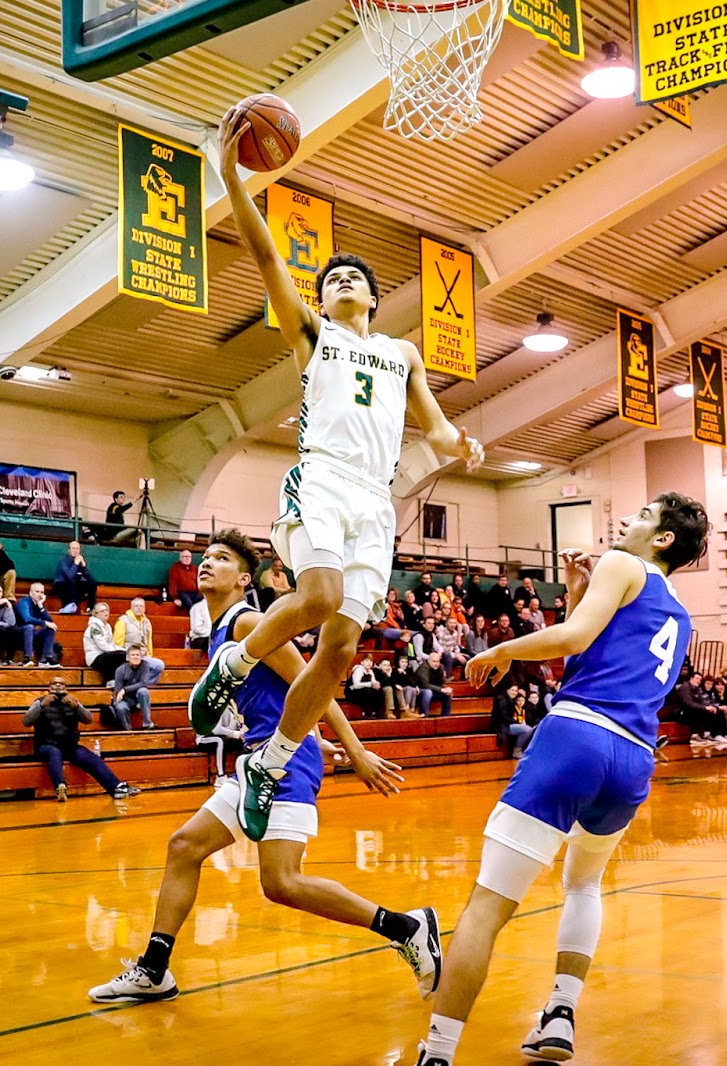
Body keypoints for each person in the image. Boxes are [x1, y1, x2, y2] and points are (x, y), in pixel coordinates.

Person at [188, 116, 484, 843]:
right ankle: (235, 659)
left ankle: (272, 761)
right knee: (316, 597)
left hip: (374, 500)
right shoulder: (314, 336)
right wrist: (233, 179)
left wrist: (458, 443)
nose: (342, 280)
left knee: (344, 646)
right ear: (321, 301)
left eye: (355, 278)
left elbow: (436, 425)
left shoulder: (403, 353)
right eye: (331, 279)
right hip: (321, 477)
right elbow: (264, 259)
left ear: (376, 301)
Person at [414, 493, 709, 1066]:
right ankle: (561, 1013)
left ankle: (439, 1053)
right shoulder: (678, 610)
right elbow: (590, 654)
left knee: (486, 906)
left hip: (577, 738)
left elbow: (572, 642)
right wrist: (576, 593)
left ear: (663, 539)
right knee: (583, 885)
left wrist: (500, 647)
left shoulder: (623, 564)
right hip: (632, 760)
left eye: (641, 515)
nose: (626, 519)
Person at [88, 527, 440, 1006]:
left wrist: (354, 751)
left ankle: (406, 927)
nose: (207, 563)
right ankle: (154, 970)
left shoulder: (247, 624)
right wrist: (320, 740)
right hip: (259, 755)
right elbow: (283, 696)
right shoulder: (216, 631)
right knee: (185, 845)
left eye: (221, 558)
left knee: (282, 882)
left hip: (284, 759)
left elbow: (314, 680)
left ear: (242, 579)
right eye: (205, 557)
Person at [23, 677, 137, 801]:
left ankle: (116, 788)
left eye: (61, 684)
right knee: (54, 752)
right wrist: (41, 705)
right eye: (54, 684)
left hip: (69, 746)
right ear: (49, 688)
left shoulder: (73, 702)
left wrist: (77, 707)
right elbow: (26, 721)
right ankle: (60, 786)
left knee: (90, 757)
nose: (57, 686)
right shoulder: (39, 701)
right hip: (46, 745)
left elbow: (88, 719)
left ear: (66, 687)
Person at [196, 703, 246, 785]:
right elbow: (216, 729)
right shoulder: (216, 707)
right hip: (205, 738)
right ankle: (220, 776)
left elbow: (234, 728)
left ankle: (242, 774)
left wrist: (242, 732)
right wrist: (236, 734)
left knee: (245, 741)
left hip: (225, 737)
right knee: (220, 741)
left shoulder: (235, 707)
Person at [110, 646, 157, 730]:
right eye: (133, 655)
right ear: (128, 658)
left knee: (143, 691)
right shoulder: (120, 670)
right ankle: (128, 732)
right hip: (125, 699)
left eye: (137, 655)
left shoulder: (145, 665)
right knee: (121, 707)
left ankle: (147, 723)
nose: (136, 657)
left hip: (138, 698)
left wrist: (125, 689)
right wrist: (122, 693)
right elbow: (118, 691)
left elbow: (144, 683)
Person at [15, 583, 58, 667]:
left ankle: (46, 658)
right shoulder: (23, 602)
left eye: (42, 592)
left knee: (50, 629)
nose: (39, 594)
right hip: (18, 634)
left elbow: (50, 621)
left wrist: (41, 606)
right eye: (37, 591)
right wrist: (44, 622)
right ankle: (28, 658)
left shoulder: (39, 604)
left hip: (31, 634)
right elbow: (26, 618)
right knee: (30, 626)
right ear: (31, 593)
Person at [82, 602, 126, 682]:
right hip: (95, 657)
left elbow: (112, 644)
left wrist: (124, 650)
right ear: (96, 614)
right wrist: (118, 652)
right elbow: (103, 646)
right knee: (119, 656)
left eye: (106, 610)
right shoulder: (94, 627)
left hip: (106, 653)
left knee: (126, 654)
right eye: (102, 611)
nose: (105, 613)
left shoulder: (107, 626)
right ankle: (110, 680)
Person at [53, 540, 98, 614]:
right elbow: (69, 576)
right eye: (73, 548)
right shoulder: (63, 561)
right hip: (61, 585)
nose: (75, 551)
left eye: (77, 549)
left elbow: (90, 577)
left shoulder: (81, 561)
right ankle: (70, 605)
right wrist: (76, 563)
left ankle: (91, 608)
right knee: (71, 582)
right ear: (69, 550)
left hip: (74, 586)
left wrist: (84, 565)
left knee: (92, 583)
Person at [491, 680, 532, 757]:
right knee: (528, 730)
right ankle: (517, 750)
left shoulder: (511, 700)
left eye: (516, 691)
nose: (514, 692)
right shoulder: (502, 700)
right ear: (507, 690)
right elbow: (505, 716)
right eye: (512, 690)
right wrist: (518, 722)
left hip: (508, 724)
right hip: (502, 726)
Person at [412, 651, 455, 718]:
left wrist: (446, 689)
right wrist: (441, 690)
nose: (436, 664)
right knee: (428, 692)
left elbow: (442, 682)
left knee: (448, 695)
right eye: (434, 661)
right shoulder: (423, 668)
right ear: (429, 661)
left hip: (434, 690)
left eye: (438, 661)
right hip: (419, 692)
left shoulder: (441, 667)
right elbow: (425, 685)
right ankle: (425, 716)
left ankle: (446, 718)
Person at [348, 654, 384, 719]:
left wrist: (376, 684)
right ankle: (366, 712)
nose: (369, 663)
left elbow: (373, 682)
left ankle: (375, 711)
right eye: (367, 661)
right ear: (362, 662)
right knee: (367, 691)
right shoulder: (358, 670)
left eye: (370, 661)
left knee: (379, 691)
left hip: (364, 690)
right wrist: (371, 684)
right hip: (353, 692)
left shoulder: (371, 672)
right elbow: (356, 685)